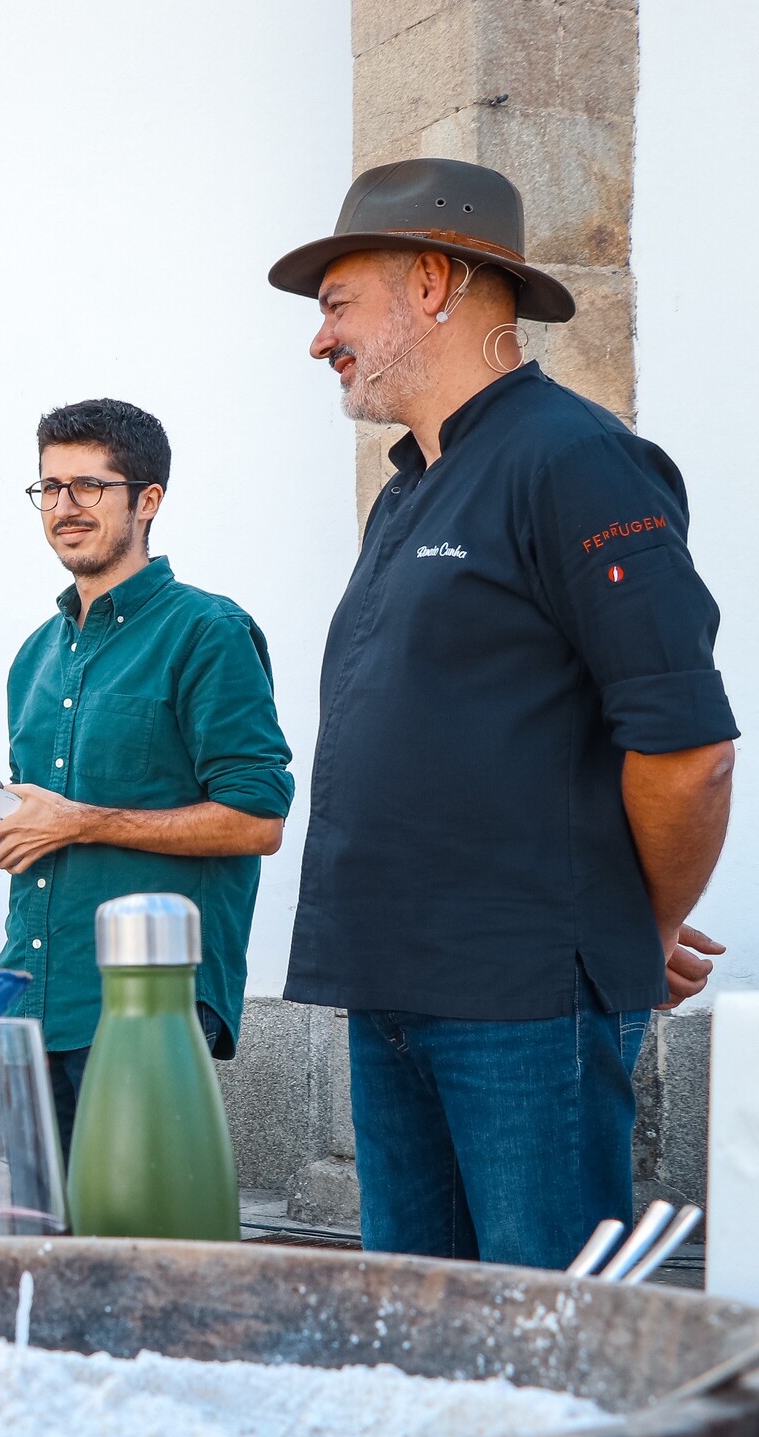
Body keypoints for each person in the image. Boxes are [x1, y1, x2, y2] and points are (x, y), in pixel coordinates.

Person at [269, 159, 737, 1269]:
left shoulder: (575, 461)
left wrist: (639, 930)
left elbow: (690, 751)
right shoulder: (408, 488)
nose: (318, 339)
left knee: (549, 1341)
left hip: (521, 1007)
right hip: (391, 988)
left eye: (337, 303)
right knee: (422, 1345)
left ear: (432, 280)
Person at [0, 399, 294, 1151]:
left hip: (144, 1004)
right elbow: (54, 813)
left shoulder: (206, 631)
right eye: (49, 488)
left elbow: (258, 820)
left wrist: (77, 819)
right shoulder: (35, 655)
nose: (64, 506)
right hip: (31, 1001)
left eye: (88, 485)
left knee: (139, 1253)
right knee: (39, 1260)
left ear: (148, 500)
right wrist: (0, 817)